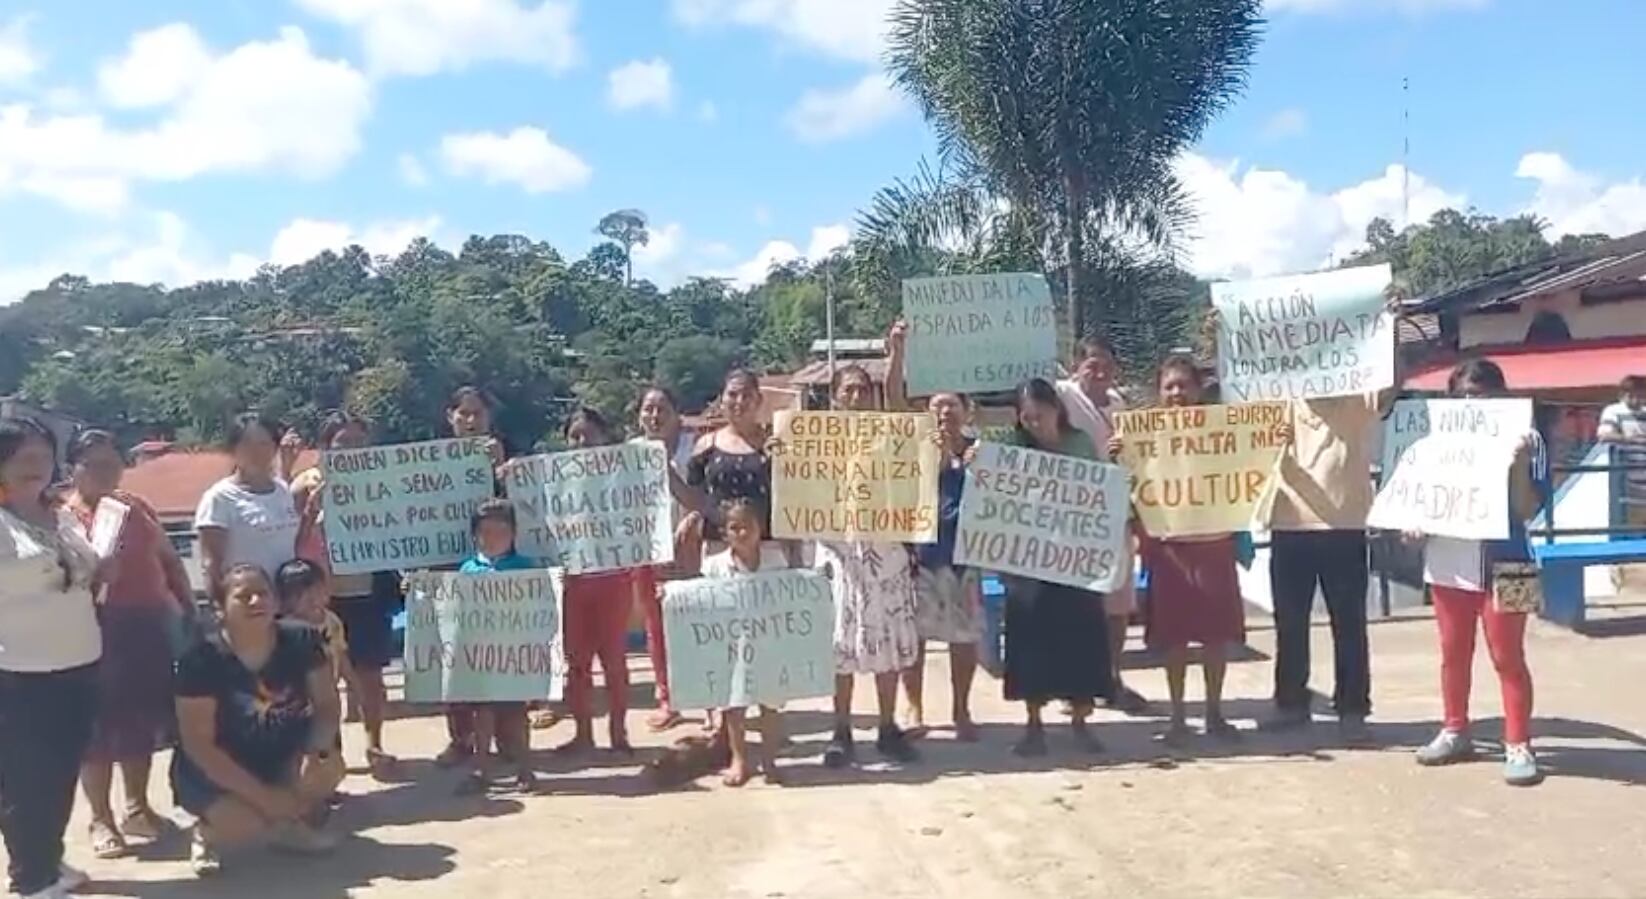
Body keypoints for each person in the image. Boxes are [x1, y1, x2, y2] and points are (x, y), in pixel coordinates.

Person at [1411, 359, 1546, 787]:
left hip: (1512, 561)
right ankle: (1455, 730)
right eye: (1462, 396)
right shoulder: (1433, 441)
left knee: (1509, 656)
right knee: (1453, 653)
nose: (1472, 403)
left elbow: (1528, 510)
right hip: (1448, 561)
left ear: (1501, 396)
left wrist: (1518, 466)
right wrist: (1414, 525)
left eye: (1481, 394)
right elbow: (1419, 498)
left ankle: (1519, 743)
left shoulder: (1530, 438)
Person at [62, 430, 193, 860]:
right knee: (96, 730)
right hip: (87, 631)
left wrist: (187, 605)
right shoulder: (60, 517)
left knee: (141, 721)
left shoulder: (135, 508)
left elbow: (170, 560)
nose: (105, 472)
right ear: (72, 469)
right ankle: (101, 818)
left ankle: (137, 806)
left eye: (111, 463)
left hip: (145, 626)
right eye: (93, 465)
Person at [171, 563, 343, 877]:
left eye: (263, 593)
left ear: (276, 601)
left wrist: (316, 751)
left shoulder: (302, 639)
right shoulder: (200, 657)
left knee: (328, 769)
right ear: (220, 609)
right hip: (214, 769)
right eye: (243, 596)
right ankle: (206, 834)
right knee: (247, 823)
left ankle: (288, 827)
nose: (256, 602)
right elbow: (198, 744)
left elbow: (328, 705)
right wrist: (264, 798)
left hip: (281, 755)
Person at [1115, 357, 1248, 747]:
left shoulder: (1223, 431)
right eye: (1169, 386)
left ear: (1198, 388)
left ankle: (1214, 713)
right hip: (1169, 549)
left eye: (1183, 385)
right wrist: (1120, 454)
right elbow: (1130, 486)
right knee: (1174, 640)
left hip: (1213, 544)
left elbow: (1248, 465)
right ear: (1159, 392)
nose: (1177, 393)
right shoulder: (1144, 437)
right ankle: (1176, 717)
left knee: (1215, 638)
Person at [1263, 366, 1396, 741]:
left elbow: (1390, 386)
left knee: (1349, 624)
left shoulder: (1357, 399)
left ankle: (1353, 709)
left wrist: (1391, 335)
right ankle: (1290, 703)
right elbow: (1243, 432)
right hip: (1288, 526)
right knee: (1289, 623)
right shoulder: (1278, 401)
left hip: (1345, 527)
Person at [0, 417, 103, 899]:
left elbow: (86, 568)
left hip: (79, 663)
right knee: (26, 779)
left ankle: (47, 859)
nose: (36, 467)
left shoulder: (58, 513)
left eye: (43, 456)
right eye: (24, 457)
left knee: (61, 771)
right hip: (20, 672)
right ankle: (31, 879)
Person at [811, 364, 921, 767]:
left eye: (862, 390)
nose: (856, 397)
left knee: (887, 642)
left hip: (887, 550)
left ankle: (888, 726)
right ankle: (840, 729)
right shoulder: (814, 443)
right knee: (842, 641)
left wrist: (897, 354)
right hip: (840, 553)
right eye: (848, 391)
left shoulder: (892, 437)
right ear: (835, 396)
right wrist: (782, 456)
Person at [1000, 379, 1112, 756]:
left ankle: (1081, 722)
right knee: (1030, 642)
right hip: (1027, 563)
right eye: (1027, 417)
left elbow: (1100, 491)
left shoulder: (1080, 442)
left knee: (1080, 639)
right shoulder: (1009, 449)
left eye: (1041, 414)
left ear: (1057, 410)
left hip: (1075, 562)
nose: (1034, 422)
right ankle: (1033, 726)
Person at [288, 412, 399, 777]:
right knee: (320, 679)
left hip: (368, 590)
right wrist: (309, 513)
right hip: (320, 597)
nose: (351, 450)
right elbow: (289, 544)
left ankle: (375, 744)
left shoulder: (385, 479)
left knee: (369, 675)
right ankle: (327, 753)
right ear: (325, 447)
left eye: (358, 442)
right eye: (342, 443)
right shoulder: (304, 485)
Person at [1055, 336, 1148, 713]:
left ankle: (1110, 677)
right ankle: (1073, 683)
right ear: (1076, 366)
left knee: (1117, 606)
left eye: (1107, 364)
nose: (1100, 371)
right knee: (1076, 605)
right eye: (1092, 363)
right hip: (1071, 518)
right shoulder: (1061, 396)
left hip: (1115, 517)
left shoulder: (1119, 406)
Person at [557, 408, 647, 756]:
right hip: (573, 583)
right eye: (574, 436)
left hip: (613, 579)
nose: (581, 443)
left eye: (588, 435)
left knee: (614, 661)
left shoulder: (621, 477)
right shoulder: (552, 481)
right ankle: (583, 733)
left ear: (605, 437)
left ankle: (618, 733)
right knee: (576, 663)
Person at [901, 391, 983, 741]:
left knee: (964, 638)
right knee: (914, 638)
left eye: (952, 404)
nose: (945, 411)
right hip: (921, 556)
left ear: (967, 410)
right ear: (926, 411)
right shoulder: (912, 448)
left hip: (966, 558)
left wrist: (975, 467)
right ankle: (914, 707)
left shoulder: (982, 452)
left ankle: (961, 709)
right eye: (937, 404)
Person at [436, 386, 511, 767]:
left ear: (488, 419)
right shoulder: (428, 463)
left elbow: (517, 513)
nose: (469, 420)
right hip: (449, 572)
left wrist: (500, 472)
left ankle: (504, 738)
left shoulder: (503, 462)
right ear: (450, 417)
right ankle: (459, 738)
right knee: (453, 660)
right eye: (463, 413)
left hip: (495, 575)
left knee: (497, 658)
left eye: (477, 413)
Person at [699, 498, 793, 786]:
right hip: (731, 642)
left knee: (770, 703)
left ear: (759, 528)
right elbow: (700, 600)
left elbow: (792, 595)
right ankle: (739, 759)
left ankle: (769, 759)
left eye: (747, 527)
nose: (741, 533)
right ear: (724, 533)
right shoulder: (714, 566)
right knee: (734, 702)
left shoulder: (777, 559)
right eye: (734, 528)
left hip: (769, 641)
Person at [454, 500, 538, 793]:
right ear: (474, 535)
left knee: (517, 716)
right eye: (485, 531)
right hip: (481, 657)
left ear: (513, 533)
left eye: (500, 531)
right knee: (483, 716)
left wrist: (555, 584)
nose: (492, 538)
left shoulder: (527, 568)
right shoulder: (467, 569)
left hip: (514, 656)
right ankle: (482, 770)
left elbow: (540, 607)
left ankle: (526, 769)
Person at [634, 385, 697, 732]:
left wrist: (692, 521)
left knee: (697, 626)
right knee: (656, 629)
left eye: (662, 410)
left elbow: (708, 494)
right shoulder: (629, 454)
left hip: (692, 551)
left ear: (678, 415)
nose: (655, 417)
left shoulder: (696, 450)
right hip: (648, 556)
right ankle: (666, 698)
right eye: (648, 410)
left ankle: (708, 700)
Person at [195, 412, 302, 595]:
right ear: (233, 450)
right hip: (247, 601)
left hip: (288, 600)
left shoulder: (284, 490)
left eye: (263, 444)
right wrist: (221, 605)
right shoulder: (219, 498)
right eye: (247, 445)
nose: (257, 452)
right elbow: (211, 564)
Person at [681, 369, 775, 565]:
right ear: (722, 399)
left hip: (768, 547)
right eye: (732, 394)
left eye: (746, 395)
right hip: (717, 547)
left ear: (759, 400)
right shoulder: (706, 445)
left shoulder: (776, 444)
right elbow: (693, 497)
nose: (739, 401)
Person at [1597, 375, 1646, 587]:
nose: (1636, 398)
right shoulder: (1613, 411)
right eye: (1632, 394)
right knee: (1628, 528)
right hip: (1626, 481)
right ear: (1623, 394)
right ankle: (1623, 576)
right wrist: (1630, 440)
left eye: (1640, 394)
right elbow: (1604, 435)